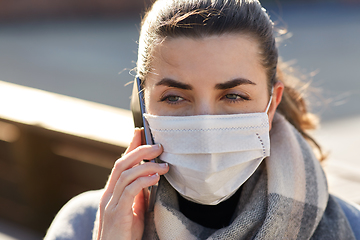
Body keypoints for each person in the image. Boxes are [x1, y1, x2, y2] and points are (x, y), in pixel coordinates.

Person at [45, 0, 360, 239]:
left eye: (233, 96)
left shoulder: (351, 227)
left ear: (272, 102)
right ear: (143, 104)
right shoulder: (85, 225)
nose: (206, 128)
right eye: (175, 97)